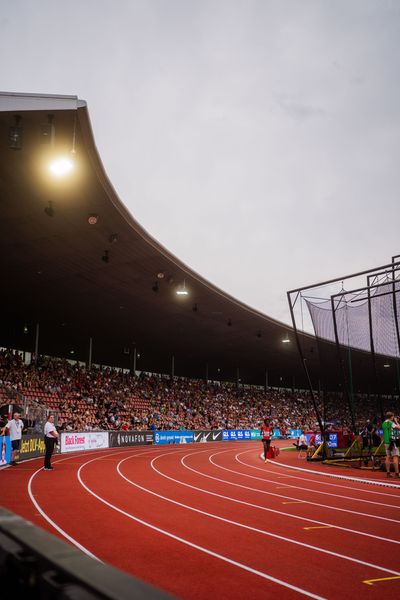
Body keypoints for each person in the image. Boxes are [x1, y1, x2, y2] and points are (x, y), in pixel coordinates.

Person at [382, 412, 400, 478]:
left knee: (388, 456)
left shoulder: (383, 423)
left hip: (386, 442)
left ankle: (388, 473)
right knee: (395, 456)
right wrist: (395, 421)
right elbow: (399, 427)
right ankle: (397, 473)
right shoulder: (391, 423)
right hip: (392, 442)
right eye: (393, 417)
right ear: (391, 417)